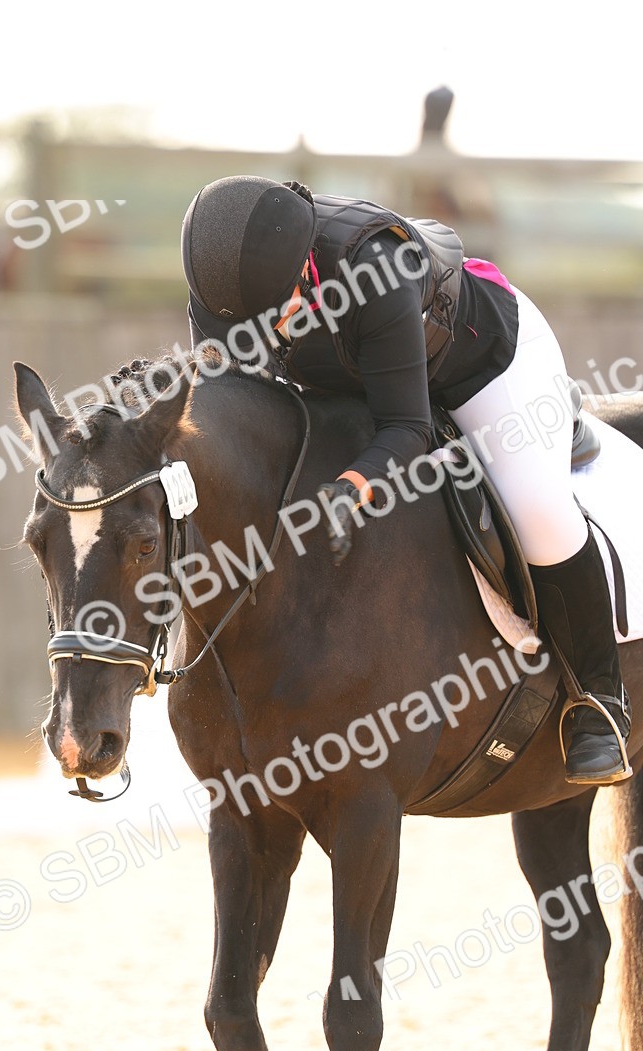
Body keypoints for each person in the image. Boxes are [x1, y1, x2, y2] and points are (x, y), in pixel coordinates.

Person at [180, 175, 631, 787]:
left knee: (540, 519)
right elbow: (230, 400)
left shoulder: (375, 269)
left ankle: (600, 705)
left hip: (481, 366)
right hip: (357, 375)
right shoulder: (226, 294)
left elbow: (406, 426)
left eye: (275, 313)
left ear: (304, 268)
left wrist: (348, 490)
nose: (269, 333)